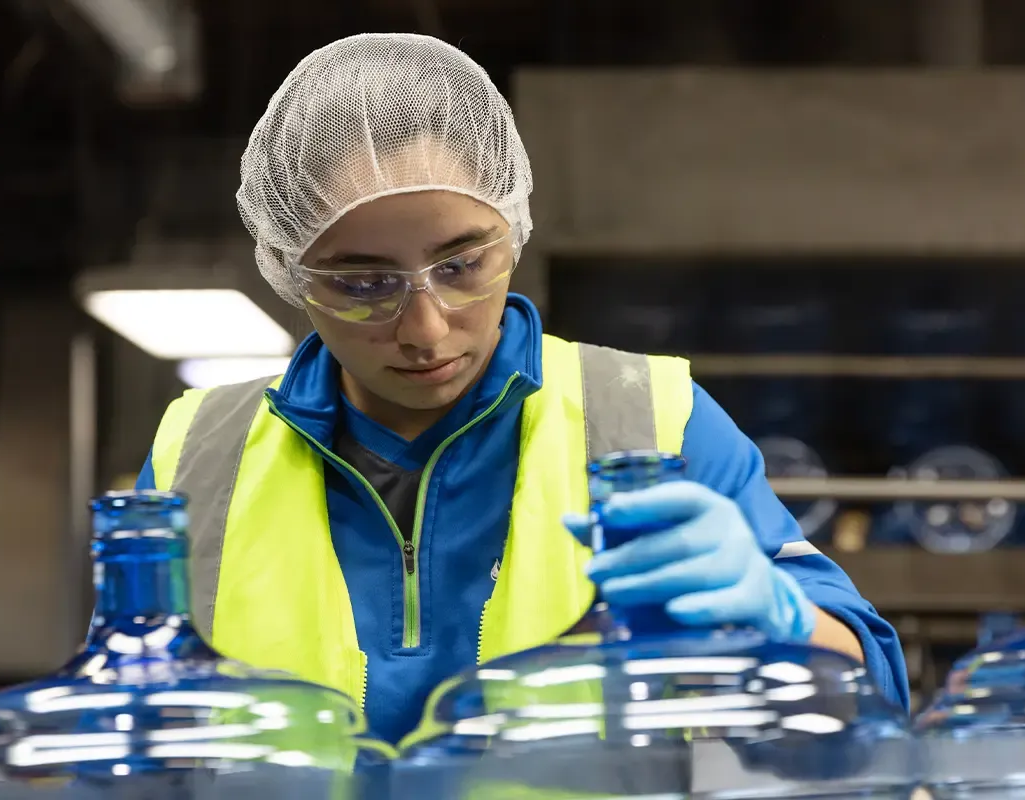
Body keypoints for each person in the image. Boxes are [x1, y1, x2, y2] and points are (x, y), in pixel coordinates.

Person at [132, 32, 908, 746]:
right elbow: (127, 736)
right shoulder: (200, 459)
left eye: (464, 266)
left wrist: (779, 616)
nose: (427, 329)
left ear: (513, 228)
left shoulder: (648, 422)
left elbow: (871, 710)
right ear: (291, 272)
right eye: (364, 282)